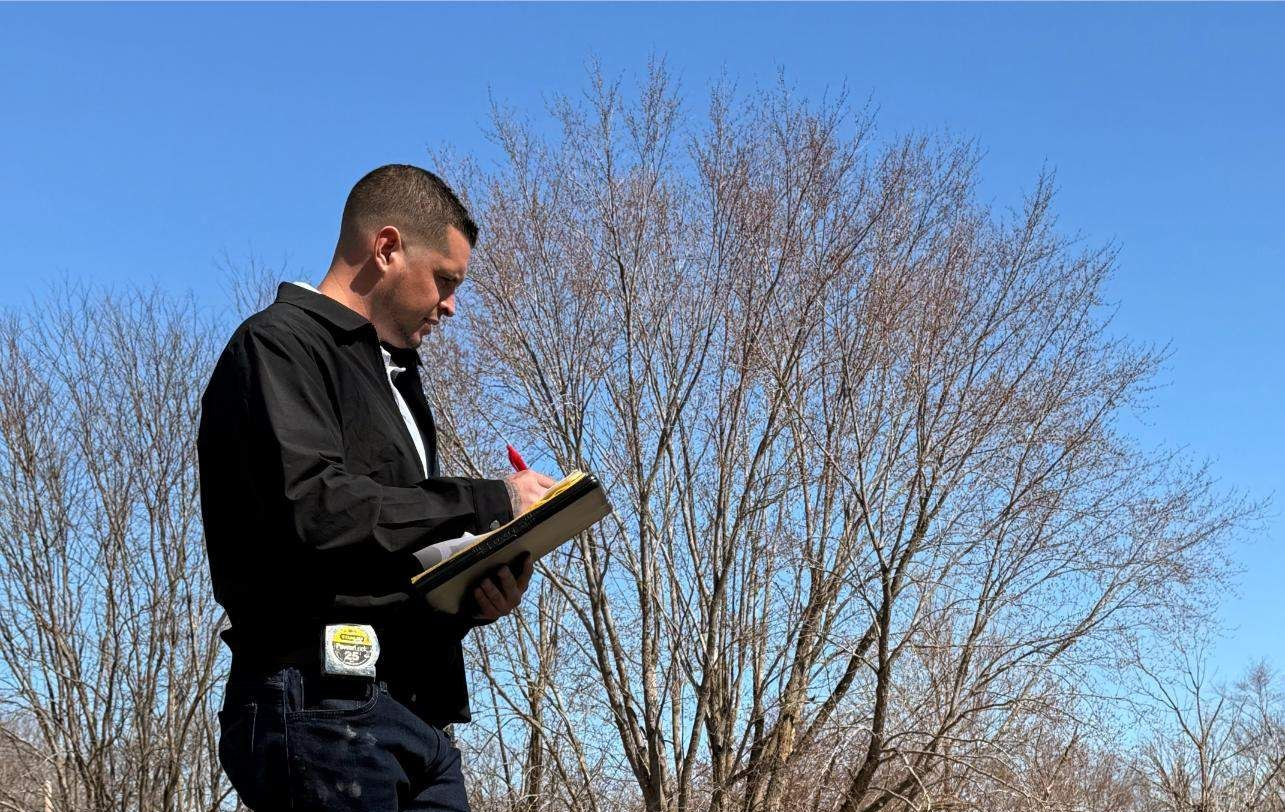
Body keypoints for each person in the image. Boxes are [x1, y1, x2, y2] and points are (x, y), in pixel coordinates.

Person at [198, 164, 555, 811]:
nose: (450, 305)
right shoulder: (279, 345)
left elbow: (385, 546)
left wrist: (474, 592)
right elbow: (317, 509)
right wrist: (491, 500)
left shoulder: (398, 381)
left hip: (419, 716)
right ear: (386, 248)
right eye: (445, 281)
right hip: (325, 704)